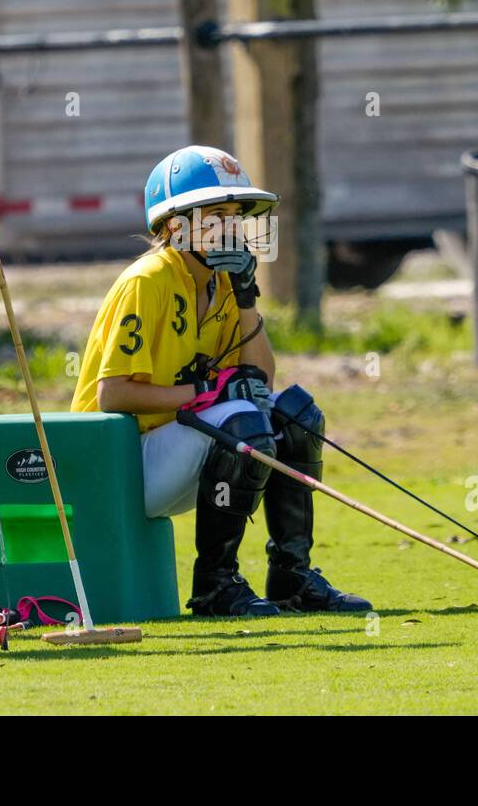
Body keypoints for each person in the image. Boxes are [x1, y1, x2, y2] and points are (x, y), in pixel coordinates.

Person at [71, 146, 371, 617]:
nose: (231, 227)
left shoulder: (225, 283)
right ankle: (215, 585)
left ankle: (292, 577)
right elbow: (113, 395)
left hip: (174, 454)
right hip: (113, 463)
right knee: (240, 416)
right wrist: (206, 394)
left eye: (234, 215)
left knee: (295, 414)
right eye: (215, 215)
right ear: (176, 224)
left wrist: (248, 298)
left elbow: (262, 377)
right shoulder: (147, 281)